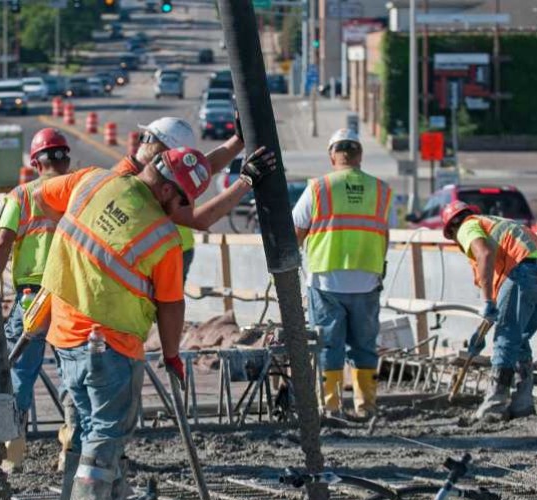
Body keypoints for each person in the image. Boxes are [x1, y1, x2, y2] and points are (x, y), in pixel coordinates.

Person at [33, 147, 211, 500]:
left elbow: (41, 197)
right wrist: (171, 356)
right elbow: (171, 304)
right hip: (110, 344)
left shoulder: (93, 179)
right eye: (182, 200)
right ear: (167, 189)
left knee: (93, 430)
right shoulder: (162, 237)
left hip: (64, 335)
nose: (183, 210)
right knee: (107, 434)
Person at [293, 128, 391, 421]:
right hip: (367, 280)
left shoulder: (319, 188)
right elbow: (384, 234)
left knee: (328, 345)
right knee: (364, 346)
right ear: (359, 154)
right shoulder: (381, 190)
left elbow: (296, 231)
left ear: (332, 155)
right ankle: (366, 407)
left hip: (326, 280)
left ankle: (332, 407)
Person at [0, 128, 72, 473]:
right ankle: (72, 450)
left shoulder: (22, 195)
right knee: (73, 372)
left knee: (20, 373)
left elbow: (2, 244)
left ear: (35, 163)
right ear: (65, 158)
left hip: (32, 299)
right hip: (71, 298)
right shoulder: (77, 192)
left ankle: (14, 454)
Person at [113, 116, 273, 280]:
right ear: (164, 154)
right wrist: (246, 180)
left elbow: (204, 169)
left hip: (171, 252)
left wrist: (238, 139)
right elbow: (200, 219)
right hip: (151, 263)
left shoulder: (143, 170)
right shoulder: (136, 186)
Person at [440, 201, 537, 421]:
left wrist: (488, 302)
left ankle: (495, 403)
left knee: (505, 337)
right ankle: (522, 402)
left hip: (523, 270)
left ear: (452, 229)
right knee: (518, 338)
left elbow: (483, 254)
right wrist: (484, 327)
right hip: (531, 270)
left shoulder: (467, 226)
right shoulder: (495, 223)